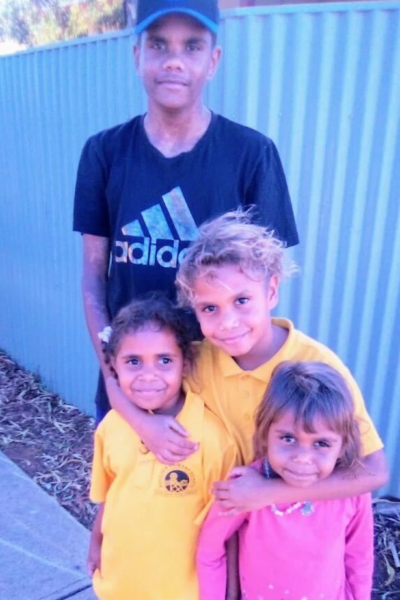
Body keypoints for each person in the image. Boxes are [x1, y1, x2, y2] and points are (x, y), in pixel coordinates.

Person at [73, 0, 299, 422]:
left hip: (221, 388)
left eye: (192, 47)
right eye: (159, 45)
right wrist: (114, 378)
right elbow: (92, 273)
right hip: (137, 379)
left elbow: (267, 280)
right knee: (125, 488)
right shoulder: (103, 152)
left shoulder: (252, 154)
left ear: (213, 61)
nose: (174, 61)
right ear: (137, 55)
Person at [108, 211, 388, 512]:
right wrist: (144, 424)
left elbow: (374, 470)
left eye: (241, 301)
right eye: (210, 308)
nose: (228, 322)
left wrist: (269, 492)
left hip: (291, 526)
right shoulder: (197, 360)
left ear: (270, 291)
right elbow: (118, 379)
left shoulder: (317, 366)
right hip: (219, 518)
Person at [87, 295, 236, 600]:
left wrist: (230, 591)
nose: (148, 375)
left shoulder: (212, 438)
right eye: (133, 362)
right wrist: (95, 542)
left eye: (164, 360)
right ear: (113, 367)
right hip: (120, 583)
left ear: (185, 364)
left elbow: (230, 525)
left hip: (183, 591)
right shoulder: (112, 427)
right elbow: (109, 494)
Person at [196, 361, 374, 600]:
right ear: (264, 433)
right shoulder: (245, 489)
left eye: (321, 444)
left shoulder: (351, 491)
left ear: (343, 446)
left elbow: (359, 556)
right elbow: (210, 552)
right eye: (288, 439)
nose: (302, 459)